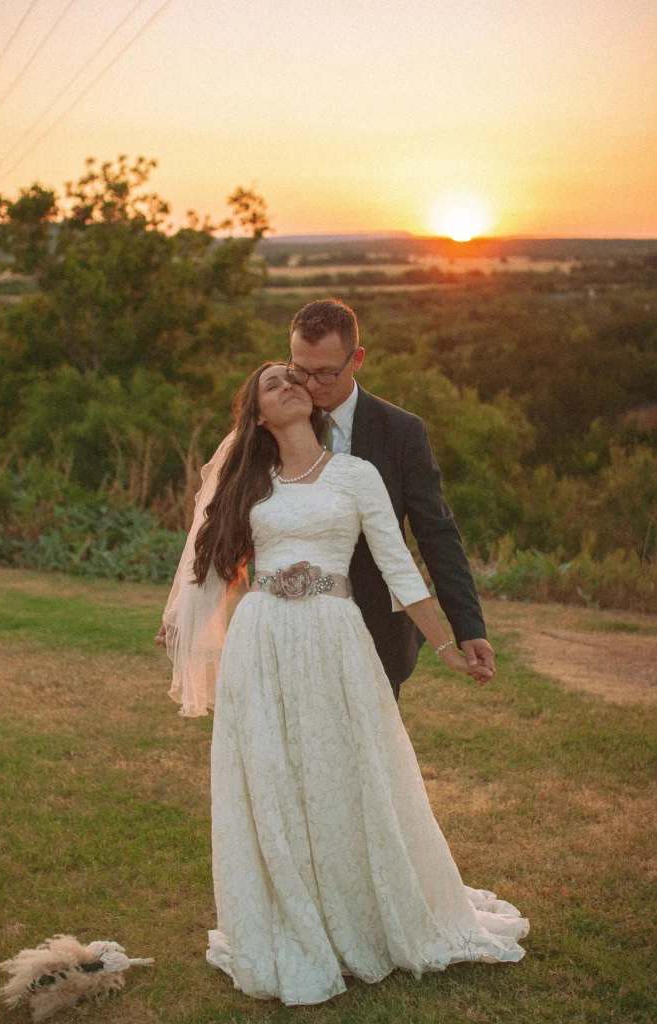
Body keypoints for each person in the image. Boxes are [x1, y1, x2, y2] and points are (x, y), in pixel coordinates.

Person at [158, 360, 529, 1006]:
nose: (288, 385)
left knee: (347, 775)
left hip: (334, 638)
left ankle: (361, 910)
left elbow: (398, 568)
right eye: (271, 384)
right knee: (275, 779)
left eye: (293, 379)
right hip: (263, 641)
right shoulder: (247, 484)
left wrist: (445, 643)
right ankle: (293, 915)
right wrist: (182, 627)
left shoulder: (357, 476)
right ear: (256, 414)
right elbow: (213, 566)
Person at [158, 297, 495, 702]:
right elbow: (226, 530)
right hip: (277, 632)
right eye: (300, 370)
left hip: (375, 627)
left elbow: (436, 534)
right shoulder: (272, 430)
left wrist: (468, 627)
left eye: (324, 374)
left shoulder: (401, 432)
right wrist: (190, 611)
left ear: (357, 360)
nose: (310, 385)